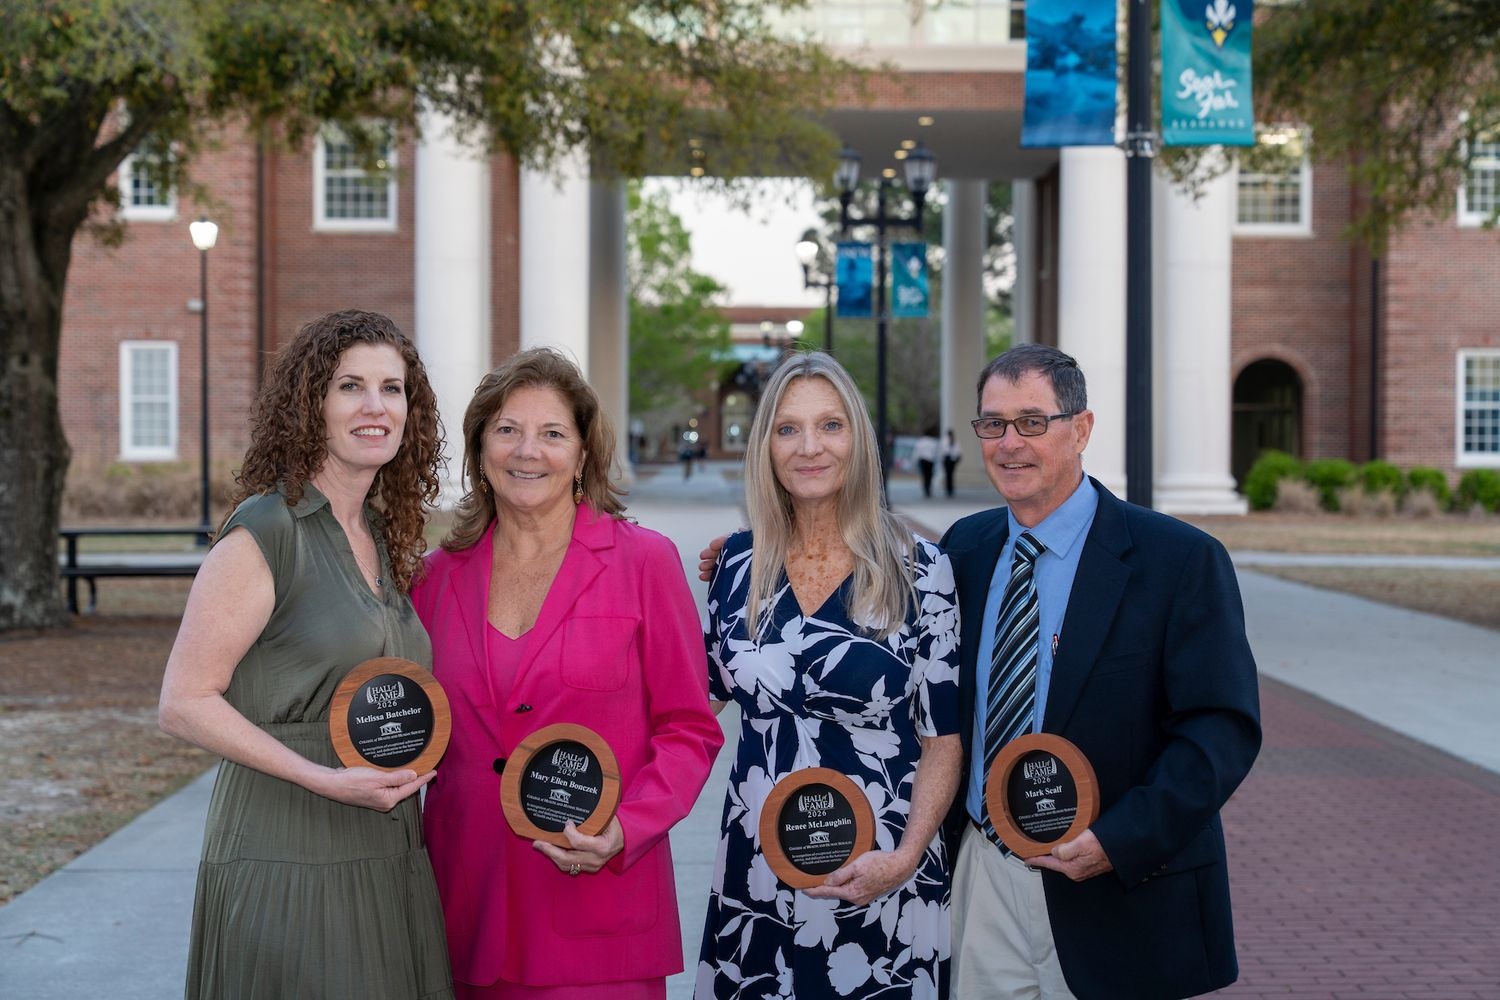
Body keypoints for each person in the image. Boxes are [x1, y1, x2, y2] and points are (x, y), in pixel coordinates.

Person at [940, 344, 1261, 999]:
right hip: (983, 882)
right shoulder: (962, 551)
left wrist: (1119, 841)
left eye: (1032, 422)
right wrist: (749, 554)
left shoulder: (1178, 561)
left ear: (1081, 429)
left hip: (1119, 888)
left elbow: (1220, 731)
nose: (1009, 443)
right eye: (992, 424)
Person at [412, 347, 723, 999]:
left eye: (552, 433)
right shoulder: (436, 579)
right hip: (465, 914)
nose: (528, 451)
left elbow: (689, 730)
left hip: (600, 913)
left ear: (582, 454)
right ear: (479, 450)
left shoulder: (644, 563)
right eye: (507, 430)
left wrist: (627, 828)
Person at [158, 309, 452, 999]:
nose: (376, 407)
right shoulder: (269, 527)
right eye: (351, 386)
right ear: (311, 403)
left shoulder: (379, 533)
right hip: (287, 842)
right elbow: (183, 701)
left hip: (384, 847)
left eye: (393, 388)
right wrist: (323, 779)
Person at [695, 352, 962, 1000]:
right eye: (787, 429)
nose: (809, 447)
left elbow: (943, 740)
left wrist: (902, 858)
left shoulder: (922, 571)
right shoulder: (735, 564)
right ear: (765, 446)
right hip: (755, 877)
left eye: (829, 426)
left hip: (881, 870)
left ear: (858, 440)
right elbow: (698, 705)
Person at [912, 427, 940, 498]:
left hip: (923, 460)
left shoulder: (921, 441)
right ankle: (928, 489)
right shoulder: (933, 441)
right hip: (930, 460)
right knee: (929, 475)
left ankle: (925, 488)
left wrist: (914, 461)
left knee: (924, 475)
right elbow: (935, 452)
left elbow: (917, 451)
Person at [941, 429, 962, 498]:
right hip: (947, 459)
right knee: (948, 475)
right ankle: (948, 489)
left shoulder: (955, 441)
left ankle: (951, 489)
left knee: (951, 475)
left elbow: (958, 450)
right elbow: (944, 451)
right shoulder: (945, 441)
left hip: (953, 460)